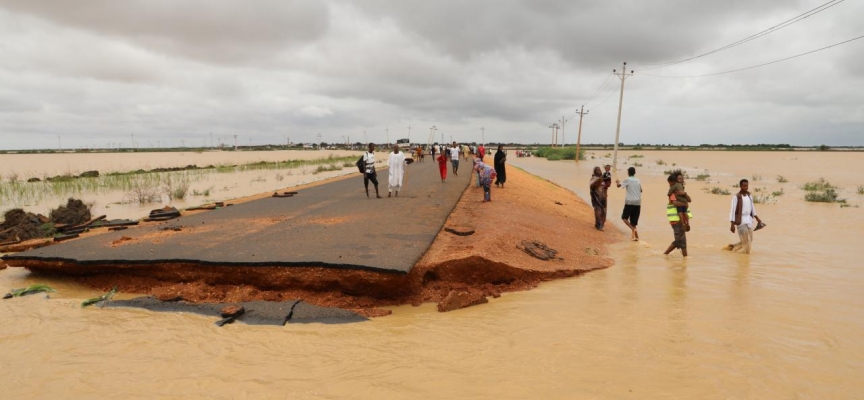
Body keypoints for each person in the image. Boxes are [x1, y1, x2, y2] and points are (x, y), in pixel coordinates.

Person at [727, 178, 764, 254]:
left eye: (747, 186)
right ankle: (744, 258)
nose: (746, 187)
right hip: (741, 221)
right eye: (744, 186)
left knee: (750, 240)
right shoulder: (736, 197)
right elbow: (732, 210)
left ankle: (733, 247)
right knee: (746, 242)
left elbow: (752, 207)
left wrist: (758, 219)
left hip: (749, 220)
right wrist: (732, 224)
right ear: (740, 186)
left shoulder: (749, 196)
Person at [664, 173, 689, 256]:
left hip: (681, 220)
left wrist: (684, 194)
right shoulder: (673, 193)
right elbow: (675, 203)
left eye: (681, 179)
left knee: (683, 240)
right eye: (678, 179)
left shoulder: (681, 193)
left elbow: (689, 199)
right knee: (679, 240)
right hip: (676, 220)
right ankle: (665, 254)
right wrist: (685, 204)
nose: (680, 180)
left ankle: (685, 258)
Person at [615, 166, 642, 241]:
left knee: (624, 218)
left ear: (628, 173)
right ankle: (636, 237)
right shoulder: (638, 180)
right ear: (635, 173)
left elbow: (618, 185)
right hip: (638, 202)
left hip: (629, 201)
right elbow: (641, 190)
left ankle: (633, 229)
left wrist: (617, 182)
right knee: (634, 222)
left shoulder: (627, 179)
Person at [589, 166, 607, 231]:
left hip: (603, 198)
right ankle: (599, 225)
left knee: (603, 212)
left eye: (599, 170)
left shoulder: (602, 178)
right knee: (598, 210)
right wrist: (599, 180)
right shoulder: (593, 178)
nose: (599, 171)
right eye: (597, 170)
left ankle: (600, 224)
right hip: (596, 197)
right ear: (595, 172)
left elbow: (605, 187)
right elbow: (591, 186)